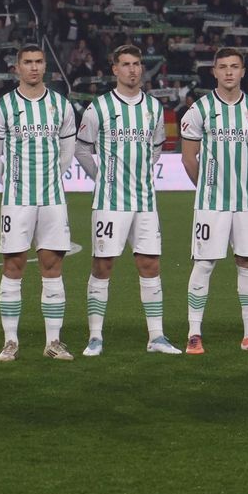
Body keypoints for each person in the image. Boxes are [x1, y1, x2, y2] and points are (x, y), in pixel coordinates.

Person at [75, 44, 175, 355]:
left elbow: (157, 148)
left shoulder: (154, 109)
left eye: (136, 64)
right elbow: (82, 150)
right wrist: (103, 178)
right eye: (125, 64)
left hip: (145, 201)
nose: (132, 70)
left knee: (150, 264)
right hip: (110, 202)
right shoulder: (99, 107)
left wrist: (139, 173)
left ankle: (156, 337)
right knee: (102, 265)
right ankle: (95, 336)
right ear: (114, 70)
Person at [0, 43, 77, 362]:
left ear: (45, 66)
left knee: (52, 266)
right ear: (17, 68)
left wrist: (48, 179)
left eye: (38, 62)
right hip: (17, 201)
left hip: (52, 199)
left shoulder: (60, 106)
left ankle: (53, 342)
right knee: (13, 266)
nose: (34, 67)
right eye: (28, 62)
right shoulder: (3, 107)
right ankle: (10, 341)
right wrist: (15, 183)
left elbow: (66, 154)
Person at [180, 48, 248, 354]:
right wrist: (208, 186)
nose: (229, 72)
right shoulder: (200, 110)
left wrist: (239, 180)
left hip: (246, 201)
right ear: (215, 72)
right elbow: (188, 157)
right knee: (205, 263)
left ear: (243, 71)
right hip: (211, 203)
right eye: (223, 67)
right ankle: (194, 333)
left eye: (235, 66)